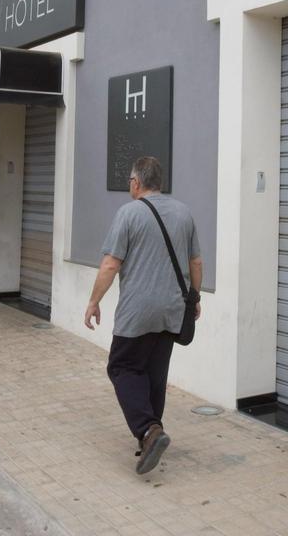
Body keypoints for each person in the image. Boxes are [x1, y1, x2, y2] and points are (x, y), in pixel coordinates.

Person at [83, 156, 203, 474]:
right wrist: (194, 299)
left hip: (138, 310)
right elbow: (196, 263)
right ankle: (151, 435)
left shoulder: (129, 213)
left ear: (136, 183)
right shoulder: (183, 212)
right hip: (172, 309)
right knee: (154, 374)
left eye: (129, 183)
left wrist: (94, 301)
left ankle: (149, 431)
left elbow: (111, 264)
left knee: (121, 367)